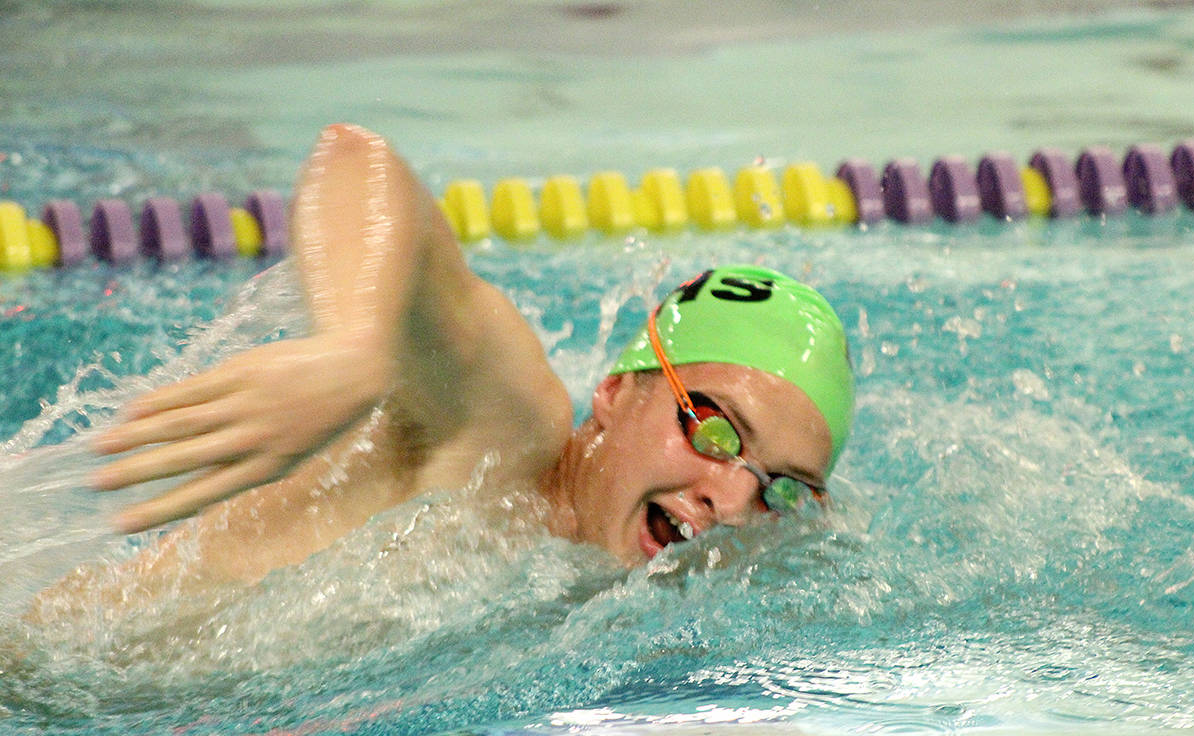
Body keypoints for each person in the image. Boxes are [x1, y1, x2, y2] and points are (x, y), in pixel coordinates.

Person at [86, 124, 854, 586]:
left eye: (779, 489)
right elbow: (360, 160)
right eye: (715, 428)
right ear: (619, 390)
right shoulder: (507, 435)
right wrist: (355, 349)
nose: (729, 497)